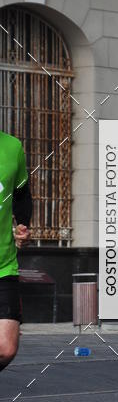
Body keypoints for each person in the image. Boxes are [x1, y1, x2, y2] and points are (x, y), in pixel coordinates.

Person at [0, 131, 32, 370]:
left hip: (4, 265)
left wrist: (23, 225)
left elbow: (21, 195)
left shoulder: (12, 147)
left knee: (6, 348)